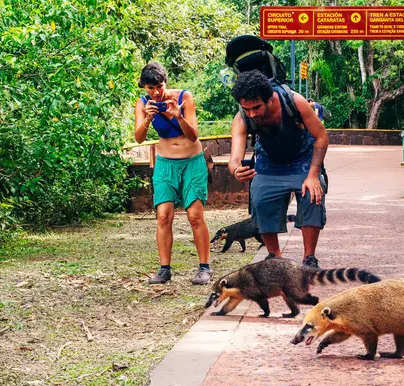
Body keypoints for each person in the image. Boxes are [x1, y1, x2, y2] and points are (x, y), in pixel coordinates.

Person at [228, 70, 328, 268]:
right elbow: (235, 158)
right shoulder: (241, 118)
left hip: (302, 158)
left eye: (256, 107)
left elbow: (322, 137)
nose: (252, 114)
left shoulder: (294, 102)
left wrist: (314, 175)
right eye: (246, 109)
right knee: (260, 197)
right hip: (268, 162)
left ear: (270, 99)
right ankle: (274, 256)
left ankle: (309, 258)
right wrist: (235, 170)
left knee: (313, 195)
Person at [134, 61, 212, 285]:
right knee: (163, 215)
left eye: (159, 86)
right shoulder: (142, 104)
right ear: (144, 87)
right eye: (151, 88)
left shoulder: (184, 97)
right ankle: (164, 269)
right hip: (165, 163)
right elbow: (139, 138)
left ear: (165, 82)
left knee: (195, 215)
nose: (156, 92)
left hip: (192, 162)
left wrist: (178, 115)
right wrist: (148, 119)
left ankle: (204, 267)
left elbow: (194, 135)